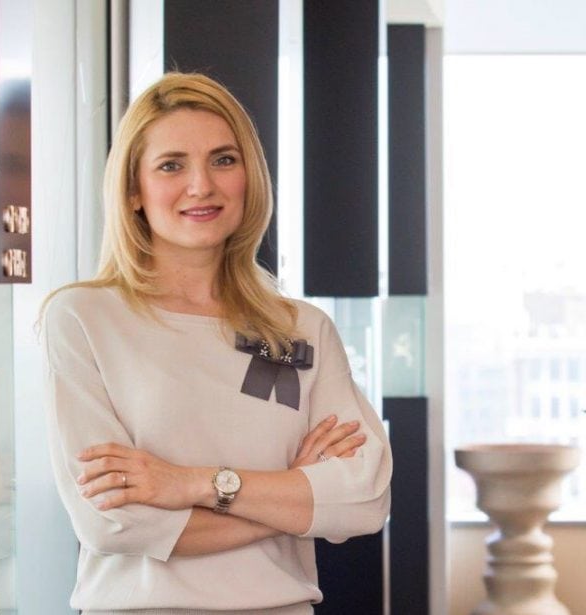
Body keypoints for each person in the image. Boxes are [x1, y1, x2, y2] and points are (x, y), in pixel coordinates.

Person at [40, 72, 392, 614]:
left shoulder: (302, 328)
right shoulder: (84, 318)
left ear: (249, 176)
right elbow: (113, 521)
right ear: (133, 190)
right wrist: (291, 495)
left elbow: (363, 500)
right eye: (171, 165)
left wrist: (191, 484)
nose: (201, 185)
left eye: (224, 160)